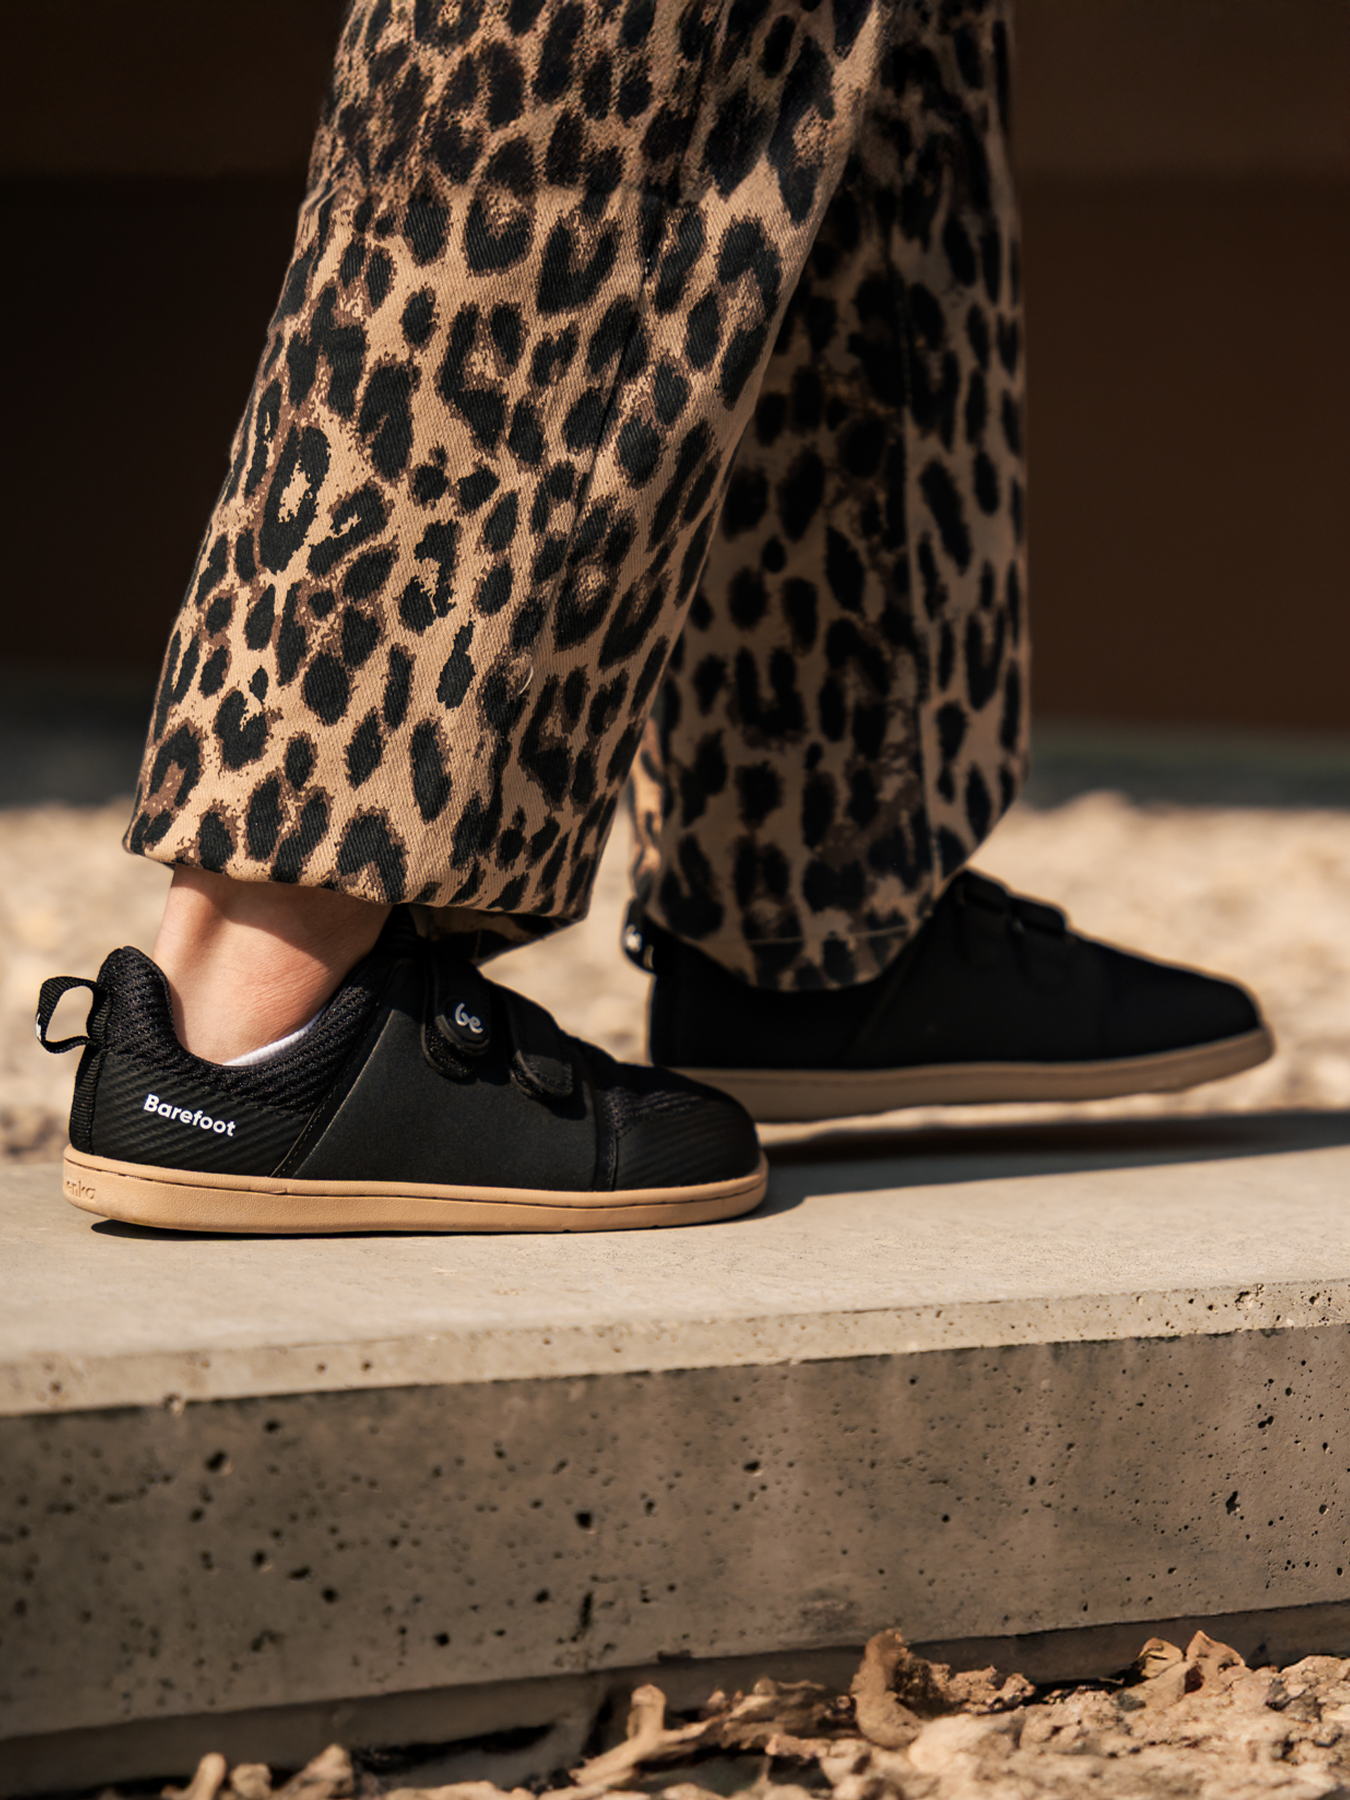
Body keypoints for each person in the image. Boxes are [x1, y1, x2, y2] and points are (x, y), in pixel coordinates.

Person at [36, 0, 1271, 1233]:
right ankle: (255, 1006)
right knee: (587, 50)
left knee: (873, 52)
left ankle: (816, 895)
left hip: (827, 887)